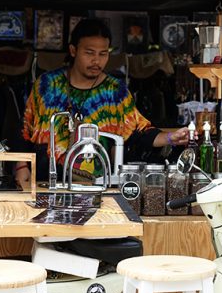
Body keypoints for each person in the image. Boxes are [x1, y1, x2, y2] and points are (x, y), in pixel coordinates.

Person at [15, 18, 190, 184]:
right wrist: (21, 166)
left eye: (103, 54)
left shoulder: (114, 91)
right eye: (89, 53)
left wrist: (171, 138)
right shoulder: (47, 85)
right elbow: (25, 129)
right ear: (73, 50)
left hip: (97, 184)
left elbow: (139, 131)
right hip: (45, 180)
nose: (96, 61)